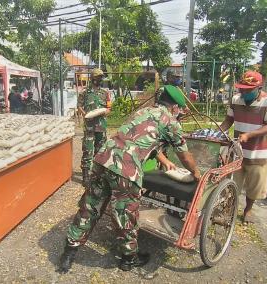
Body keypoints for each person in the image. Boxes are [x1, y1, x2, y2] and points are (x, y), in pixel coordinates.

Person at [57, 85, 201, 273]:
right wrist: (196, 173)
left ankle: (68, 253)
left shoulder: (143, 111)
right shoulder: (171, 122)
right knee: (125, 215)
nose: (179, 113)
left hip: (103, 159)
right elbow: (184, 156)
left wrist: (164, 160)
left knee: (90, 206)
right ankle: (128, 259)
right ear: (175, 107)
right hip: (125, 167)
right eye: (179, 110)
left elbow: (140, 138)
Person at [219, 70, 267, 224]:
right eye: (241, 89)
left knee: (254, 186)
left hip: (258, 152)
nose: (243, 92)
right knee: (232, 182)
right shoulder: (236, 99)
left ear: (258, 88)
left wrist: (249, 135)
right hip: (238, 150)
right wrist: (218, 132)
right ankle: (229, 209)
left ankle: (248, 210)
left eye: (247, 90)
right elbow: (228, 120)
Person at [78, 68, 111, 185]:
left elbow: (108, 108)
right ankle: (86, 176)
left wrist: (106, 111)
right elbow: (80, 106)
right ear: (93, 78)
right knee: (87, 151)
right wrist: (85, 115)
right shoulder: (85, 92)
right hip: (90, 127)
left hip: (101, 127)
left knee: (100, 151)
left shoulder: (105, 93)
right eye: (98, 77)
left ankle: (97, 175)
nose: (100, 79)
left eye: (101, 77)